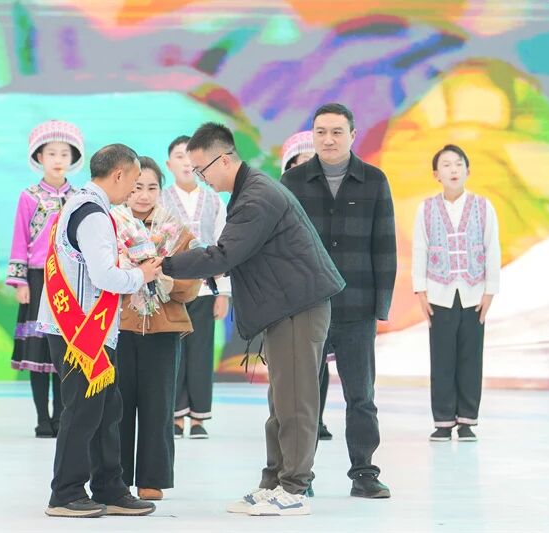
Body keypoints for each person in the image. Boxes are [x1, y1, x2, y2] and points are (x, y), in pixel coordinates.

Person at [162, 123, 344, 516]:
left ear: (224, 159)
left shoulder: (256, 197)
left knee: (296, 401)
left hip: (298, 306)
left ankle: (295, 489)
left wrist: (165, 265)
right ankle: (274, 481)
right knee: (281, 400)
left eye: (202, 169)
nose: (201, 177)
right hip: (284, 306)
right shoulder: (249, 191)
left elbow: (224, 255)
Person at [36, 144, 160, 518]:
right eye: (133, 181)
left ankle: (110, 487)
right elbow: (104, 276)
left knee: (107, 409)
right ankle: (65, 493)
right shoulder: (93, 214)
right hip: (79, 330)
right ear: (118, 175)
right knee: (83, 410)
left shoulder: (81, 204)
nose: (134, 191)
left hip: (89, 327)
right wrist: (141, 275)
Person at [281, 103, 397, 499]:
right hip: (306, 306)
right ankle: (300, 476)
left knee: (361, 396)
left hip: (357, 306)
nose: (328, 139)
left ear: (352, 134)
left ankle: (364, 473)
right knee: (303, 397)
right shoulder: (293, 182)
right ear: (312, 136)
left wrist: (380, 306)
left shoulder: (374, 180)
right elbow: (281, 246)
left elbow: (385, 246)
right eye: (321, 132)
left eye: (336, 132)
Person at [116, 156, 201, 501]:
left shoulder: (177, 232)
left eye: (152, 188)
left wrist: (168, 282)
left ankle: (153, 478)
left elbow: (192, 285)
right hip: (119, 327)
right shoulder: (110, 226)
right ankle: (115, 476)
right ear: (125, 187)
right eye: (137, 187)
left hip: (163, 329)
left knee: (159, 405)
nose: (143, 195)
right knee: (117, 405)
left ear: (160, 191)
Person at [413, 144, 500, 442]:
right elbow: (420, 249)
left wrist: (490, 291)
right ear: (436, 174)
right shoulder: (426, 208)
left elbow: (492, 248)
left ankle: (467, 421)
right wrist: (420, 290)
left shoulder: (483, 206)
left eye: (458, 164)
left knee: (470, 358)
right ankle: (442, 421)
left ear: (468, 171)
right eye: (446, 165)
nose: (453, 169)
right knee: (441, 359)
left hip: (474, 293)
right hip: (439, 293)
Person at [7, 120, 83, 438]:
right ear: (39, 157)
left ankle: (63, 416)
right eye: (51, 153)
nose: (57, 159)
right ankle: (42, 418)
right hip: (39, 279)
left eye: (64, 153)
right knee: (38, 350)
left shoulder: (79, 197)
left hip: (70, 280)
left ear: (72, 158)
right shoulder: (28, 197)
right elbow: (19, 239)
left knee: (65, 350)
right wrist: (20, 282)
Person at [160, 135, 231, 439]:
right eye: (179, 156)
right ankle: (175, 416)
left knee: (201, 353)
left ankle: (199, 417)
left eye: (190, 157)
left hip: (204, 289)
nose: (186, 163)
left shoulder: (214, 200)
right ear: (169, 164)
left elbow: (225, 246)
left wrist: (223, 292)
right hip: (170, 289)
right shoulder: (160, 200)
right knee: (173, 353)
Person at [281, 129, 333, 442]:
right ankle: (291, 423)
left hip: (325, 289)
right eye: (300, 160)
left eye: (312, 160)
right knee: (295, 364)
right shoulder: (278, 201)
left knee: (320, 358)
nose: (307, 166)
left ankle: (317, 418)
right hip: (292, 293)